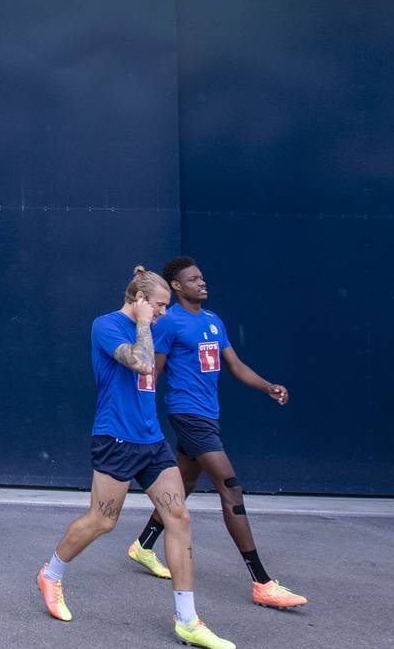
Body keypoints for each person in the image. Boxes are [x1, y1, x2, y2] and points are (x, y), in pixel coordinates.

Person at [37, 267, 234, 649]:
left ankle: (188, 620)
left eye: (164, 307)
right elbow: (142, 362)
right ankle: (51, 573)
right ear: (138, 300)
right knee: (103, 521)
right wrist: (145, 322)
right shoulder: (105, 326)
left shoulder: (156, 326)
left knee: (179, 517)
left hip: (152, 440)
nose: (163, 313)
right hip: (115, 439)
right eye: (159, 306)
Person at [125, 256, 308, 610]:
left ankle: (143, 544)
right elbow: (152, 371)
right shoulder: (169, 323)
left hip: (209, 416)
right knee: (230, 486)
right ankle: (262, 582)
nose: (202, 283)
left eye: (202, 278)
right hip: (187, 414)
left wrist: (268, 386)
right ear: (176, 287)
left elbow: (235, 366)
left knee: (186, 484)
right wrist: (140, 414)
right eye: (193, 279)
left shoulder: (213, 321)